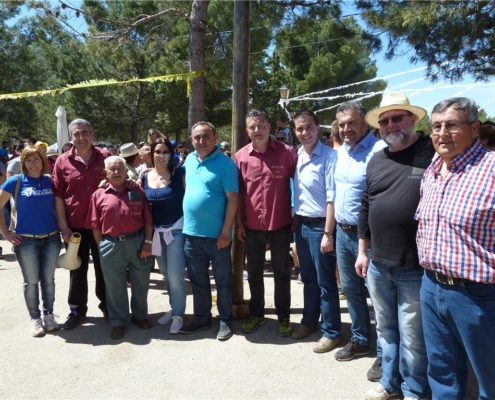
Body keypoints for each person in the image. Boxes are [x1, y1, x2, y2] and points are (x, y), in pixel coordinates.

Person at [416, 97, 495, 400]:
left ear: (474, 128)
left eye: (451, 125)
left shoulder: (490, 169)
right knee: (442, 375)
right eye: (436, 126)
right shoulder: (433, 170)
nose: (441, 133)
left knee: (490, 378)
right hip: (431, 286)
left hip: (478, 297)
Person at [356, 93, 433, 400]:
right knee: (387, 330)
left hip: (414, 264)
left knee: (414, 335)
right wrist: (362, 252)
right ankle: (390, 382)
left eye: (397, 118)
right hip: (377, 261)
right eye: (384, 120)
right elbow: (366, 205)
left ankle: (415, 390)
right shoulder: (377, 159)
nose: (390, 125)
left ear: (413, 119)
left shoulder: (431, 152)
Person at [333, 100, 386, 381]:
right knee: (352, 290)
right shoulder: (342, 151)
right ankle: (360, 339)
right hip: (343, 233)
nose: (346, 129)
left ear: (365, 122)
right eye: (342, 124)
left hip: (369, 236)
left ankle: (383, 351)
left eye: (351, 123)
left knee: (378, 297)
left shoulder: (378, 150)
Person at [235, 109, 296, 337]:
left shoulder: (287, 153)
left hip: (280, 223)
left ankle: (284, 317)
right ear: (247, 131)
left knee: (281, 272)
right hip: (252, 226)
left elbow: (298, 187)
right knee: (254, 272)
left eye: (261, 125)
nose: (257, 130)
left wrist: (295, 215)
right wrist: (239, 223)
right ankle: (257, 314)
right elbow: (239, 193)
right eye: (252, 127)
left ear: (270, 127)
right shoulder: (240, 156)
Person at [180, 121, 238, 341]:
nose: (201, 141)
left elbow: (233, 199)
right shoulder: (189, 160)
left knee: (223, 281)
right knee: (198, 281)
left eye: (205, 136)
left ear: (215, 137)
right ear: (191, 140)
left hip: (217, 237)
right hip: (191, 234)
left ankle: (225, 320)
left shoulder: (226, 164)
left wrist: (226, 231)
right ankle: (202, 318)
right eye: (196, 137)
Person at [290, 111, 341, 353]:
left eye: (309, 127)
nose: (304, 132)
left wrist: (328, 233)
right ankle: (309, 322)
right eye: (300, 128)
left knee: (325, 282)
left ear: (317, 127)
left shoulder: (329, 157)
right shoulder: (298, 154)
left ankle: (331, 331)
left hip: (322, 225)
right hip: (302, 225)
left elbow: (332, 198)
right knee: (308, 279)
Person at [86, 156, 153, 340]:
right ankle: (118, 321)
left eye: (119, 169)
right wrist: (102, 246)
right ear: (106, 173)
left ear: (126, 172)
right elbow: (95, 225)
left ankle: (140, 316)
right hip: (111, 244)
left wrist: (148, 242)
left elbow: (148, 219)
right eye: (112, 170)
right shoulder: (98, 194)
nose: (116, 172)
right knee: (114, 287)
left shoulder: (137, 190)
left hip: (137, 241)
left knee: (141, 282)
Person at [53, 118, 111, 329]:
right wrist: (64, 227)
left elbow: (120, 181)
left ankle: (108, 306)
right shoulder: (62, 162)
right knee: (76, 269)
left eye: (85, 132)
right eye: (76, 134)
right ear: (71, 137)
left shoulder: (105, 157)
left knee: (104, 268)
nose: (81, 137)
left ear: (92, 134)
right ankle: (77, 310)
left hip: (103, 226)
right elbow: (58, 196)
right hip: (74, 227)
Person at [0, 146, 61, 337]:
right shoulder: (15, 181)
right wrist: (6, 233)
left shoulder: (50, 181)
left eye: (36, 160)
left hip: (51, 238)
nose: (33, 164)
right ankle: (35, 318)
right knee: (31, 282)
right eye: (28, 160)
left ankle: (49, 315)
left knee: (49, 280)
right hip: (25, 241)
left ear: (43, 162)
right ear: (22, 163)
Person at [141, 138, 187, 334]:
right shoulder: (144, 177)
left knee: (176, 275)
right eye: (157, 151)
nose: (161, 155)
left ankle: (178, 314)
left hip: (177, 229)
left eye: (165, 152)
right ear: (152, 154)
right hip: (157, 232)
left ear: (171, 154)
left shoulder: (179, 174)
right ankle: (173, 307)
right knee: (166, 274)